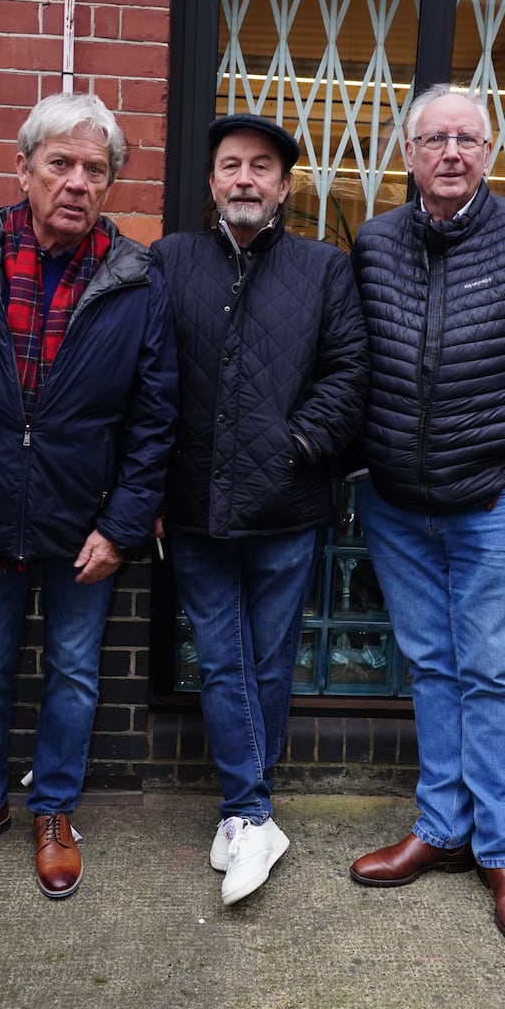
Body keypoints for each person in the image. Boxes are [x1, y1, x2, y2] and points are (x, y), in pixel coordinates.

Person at [0, 92, 178, 898]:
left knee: (75, 672)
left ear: (110, 183)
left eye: (96, 168)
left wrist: (121, 527)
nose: (78, 182)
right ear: (23, 168)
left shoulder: (136, 280)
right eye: (61, 163)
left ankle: (53, 809)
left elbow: (155, 419)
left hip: (84, 524)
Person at [349, 83, 505, 953]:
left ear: (490, 152)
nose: (452, 152)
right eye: (434, 139)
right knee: (430, 666)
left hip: (494, 499)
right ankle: (441, 829)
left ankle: (504, 853)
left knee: (488, 671)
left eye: (469, 139)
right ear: (408, 153)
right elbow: (351, 357)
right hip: (397, 503)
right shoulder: (372, 241)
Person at [152, 113, 368, 906]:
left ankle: (247, 811)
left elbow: (348, 377)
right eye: (231, 165)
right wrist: (148, 487)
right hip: (195, 505)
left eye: (262, 167)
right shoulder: (171, 260)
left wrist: (294, 448)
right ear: (211, 182)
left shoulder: (324, 269)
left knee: (269, 660)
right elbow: (148, 378)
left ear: (283, 186)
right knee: (220, 654)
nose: (245, 178)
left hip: (288, 505)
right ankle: (251, 811)